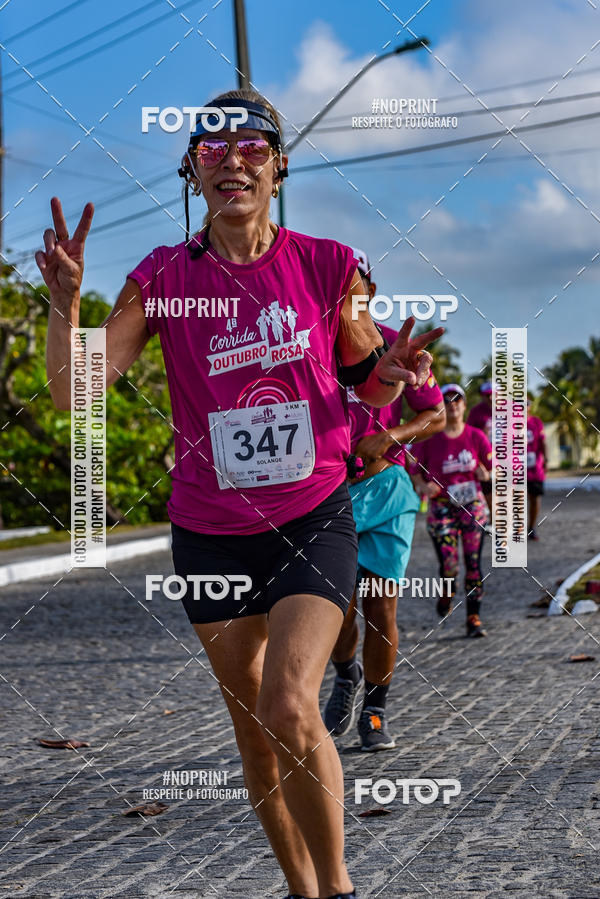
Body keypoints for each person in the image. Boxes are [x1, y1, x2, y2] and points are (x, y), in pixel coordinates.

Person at [38, 88, 443, 899]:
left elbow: (366, 379)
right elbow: (74, 392)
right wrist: (63, 300)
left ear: (279, 166)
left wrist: (391, 375)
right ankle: (300, 888)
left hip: (313, 515)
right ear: (193, 168)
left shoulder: (330, 264)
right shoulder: (160, 278)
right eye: (213, 147)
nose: (233, 158)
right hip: (211, 533)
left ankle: (338, 887)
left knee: (290, 703)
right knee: (257, 733)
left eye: (252, 145)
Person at [323, 249, 445, 751]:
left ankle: (374, 708)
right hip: (328, 492)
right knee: (334, 610)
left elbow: (435, 415)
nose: (346, 295)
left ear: (369, 291)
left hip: (388, 493)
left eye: (355, 286)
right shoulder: (309, 348)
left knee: (382, 607)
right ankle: (346, 672)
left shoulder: (398, 343)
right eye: (336, 288)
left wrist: (391, 436)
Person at [410, 384, 492, 638]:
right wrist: (424, 486)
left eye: (458, 400)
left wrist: (486, 473)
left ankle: (473, 617)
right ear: (442, 407)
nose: (453, 404)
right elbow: (413, 470)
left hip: (472, 507)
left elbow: (494, 469)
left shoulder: (476, 436)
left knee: (473, 563)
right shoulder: (429, 438)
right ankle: (446, 594)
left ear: (464, 405)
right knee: (450, 566)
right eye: (447, 401)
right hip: (443, 508)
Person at [467, 380, 494, 520]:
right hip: (485, 461)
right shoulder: (476, 412)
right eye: (487, 395)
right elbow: (468, 437)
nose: (490, 398)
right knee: (489, 493)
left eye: (493, 394)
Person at [526, 396, 547, 540]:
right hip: (515, 470)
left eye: (526, 404)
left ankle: (531, 528)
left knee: (535, 498)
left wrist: (547, 460)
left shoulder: (536, 422)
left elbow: (543, 442)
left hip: (534, 469)